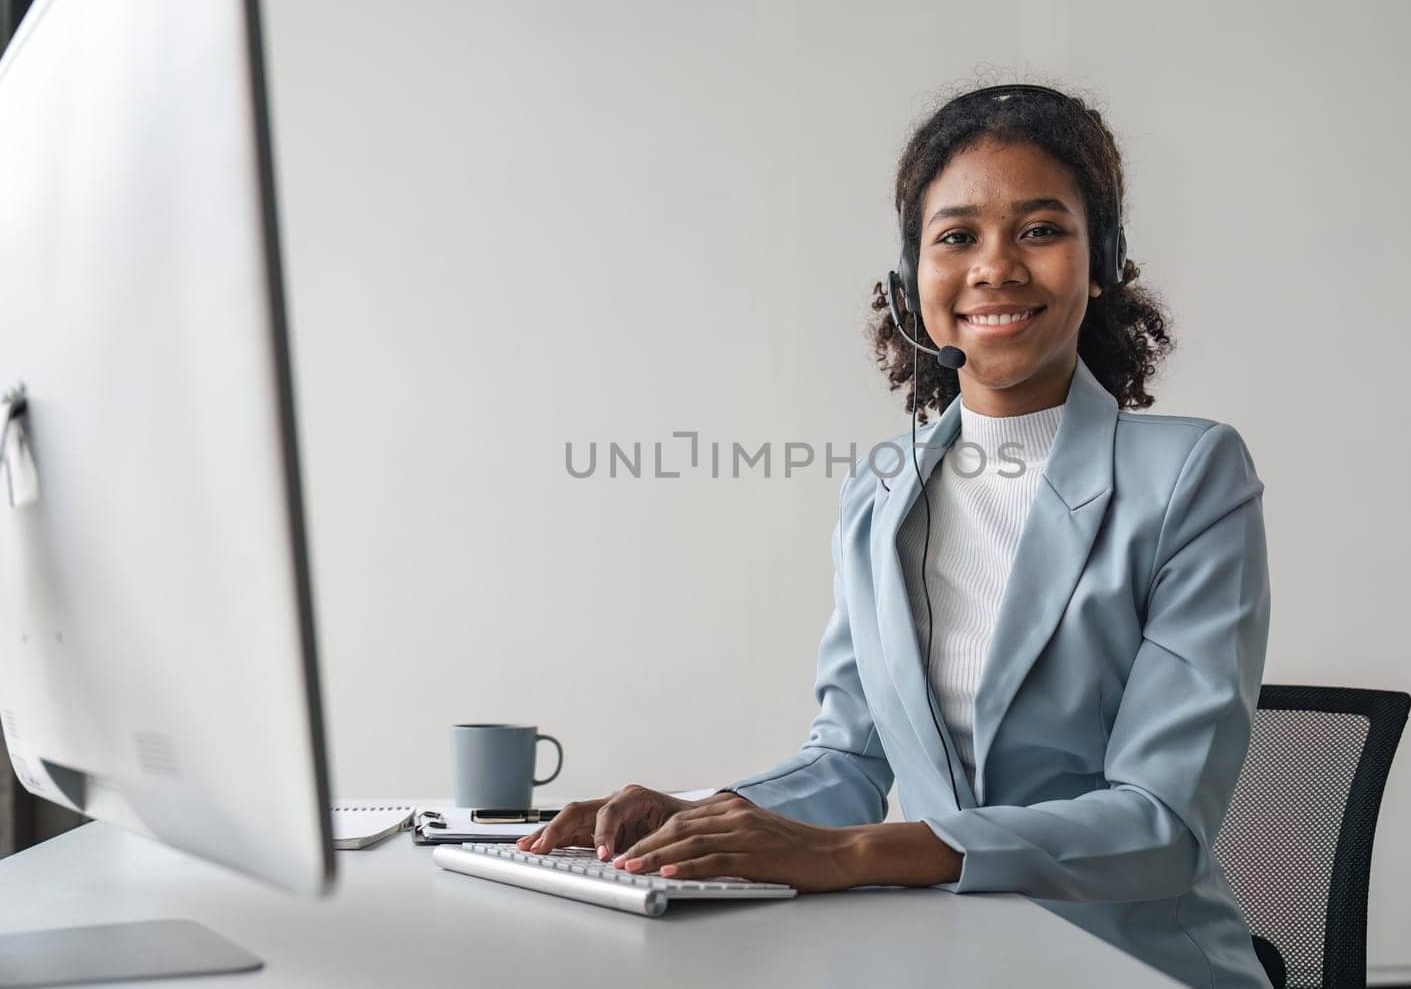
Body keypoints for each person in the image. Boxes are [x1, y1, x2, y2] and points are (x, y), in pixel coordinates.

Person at [525, 83, 1272, 989]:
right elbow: (848, 757)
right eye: (956, 237)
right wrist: (698, 813)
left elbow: (1159, 825)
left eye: (1039, 230)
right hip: (947, 961)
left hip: (1134, 966)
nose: (994, 267)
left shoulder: (1192, 473)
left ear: (1102, 259)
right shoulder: (882, 489)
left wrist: (855, 853)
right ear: (908, 283)